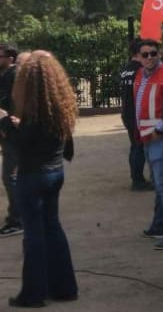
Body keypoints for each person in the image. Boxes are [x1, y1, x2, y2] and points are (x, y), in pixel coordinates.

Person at [0, 50, 78, 308]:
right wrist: (17, 124)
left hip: (33, 176)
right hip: (55, 172)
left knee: (33, 235)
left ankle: (33, 294)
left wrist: (5, 123)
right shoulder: (58, 105)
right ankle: (64, 288)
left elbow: (22, 145)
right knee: (52, 228)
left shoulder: (35, 110)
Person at [133, 39, 163, 249]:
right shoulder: (140, 75)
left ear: (159, 53)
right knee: (160, 184)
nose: (150, 57)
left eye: (153, 53)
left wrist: (160, 129)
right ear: (138, 57)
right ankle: (160, 225)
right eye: (145, 54)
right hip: (148, 137)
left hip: (159, 137)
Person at [119, 39, 151, 192]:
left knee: (135, 145)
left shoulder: (126, 69)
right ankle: (138, 181)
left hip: (127, 112)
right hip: (137, 113)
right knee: (139, 147)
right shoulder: (140, 70)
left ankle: (137, 178)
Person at [0, 43, 22, 236]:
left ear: (10, 58)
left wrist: (6, 126)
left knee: (11, 177)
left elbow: (15, 108)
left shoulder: (13, 76)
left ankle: (17, 220)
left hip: (13, 134)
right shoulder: (7, 75)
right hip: (10, 132)